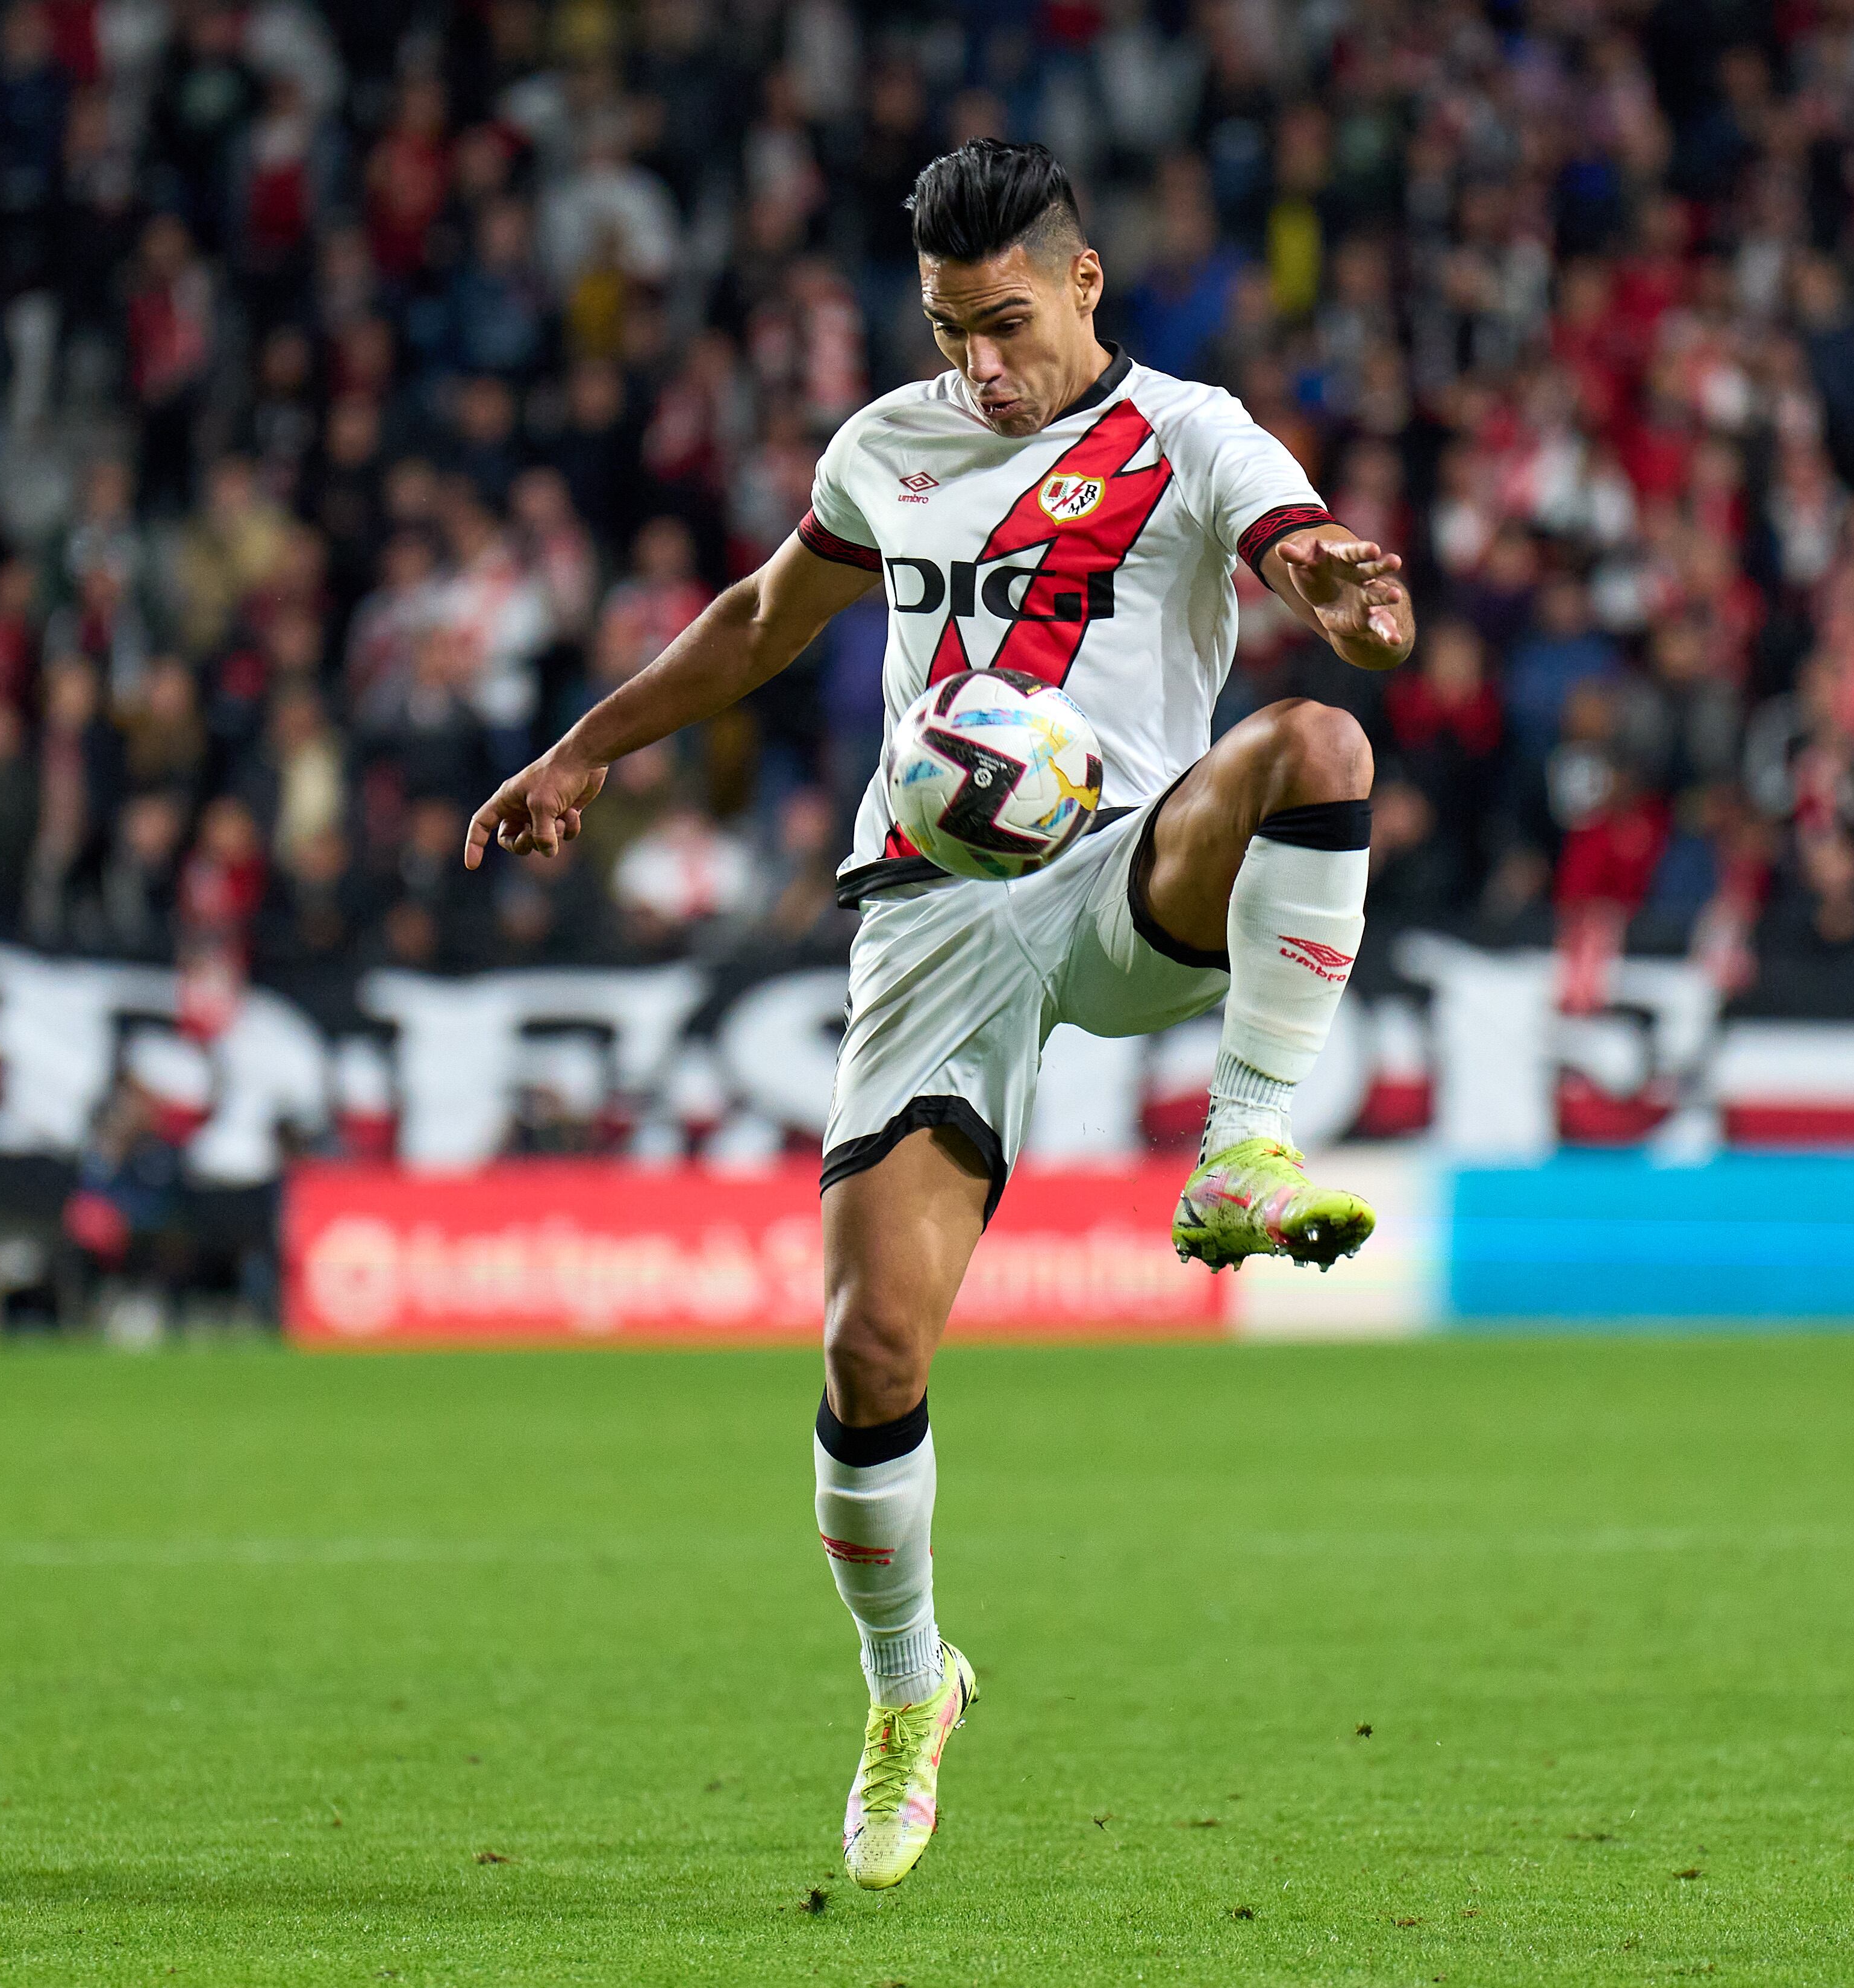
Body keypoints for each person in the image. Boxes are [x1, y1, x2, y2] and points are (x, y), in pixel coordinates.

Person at [463, 142, 1414, 1891]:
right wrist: (587, 746)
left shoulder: (1191, 436)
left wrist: (1345, 587)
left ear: (1085, 283)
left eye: (1006, 325)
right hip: (928, 911)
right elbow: (762, 618)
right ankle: (912, 1686)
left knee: (1321, 755)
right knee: (868, 1352)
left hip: (1126, 861)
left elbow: (1306, 552)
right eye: (948, 330)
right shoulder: (885, 448)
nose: (982, 365)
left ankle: (1241, 1149)